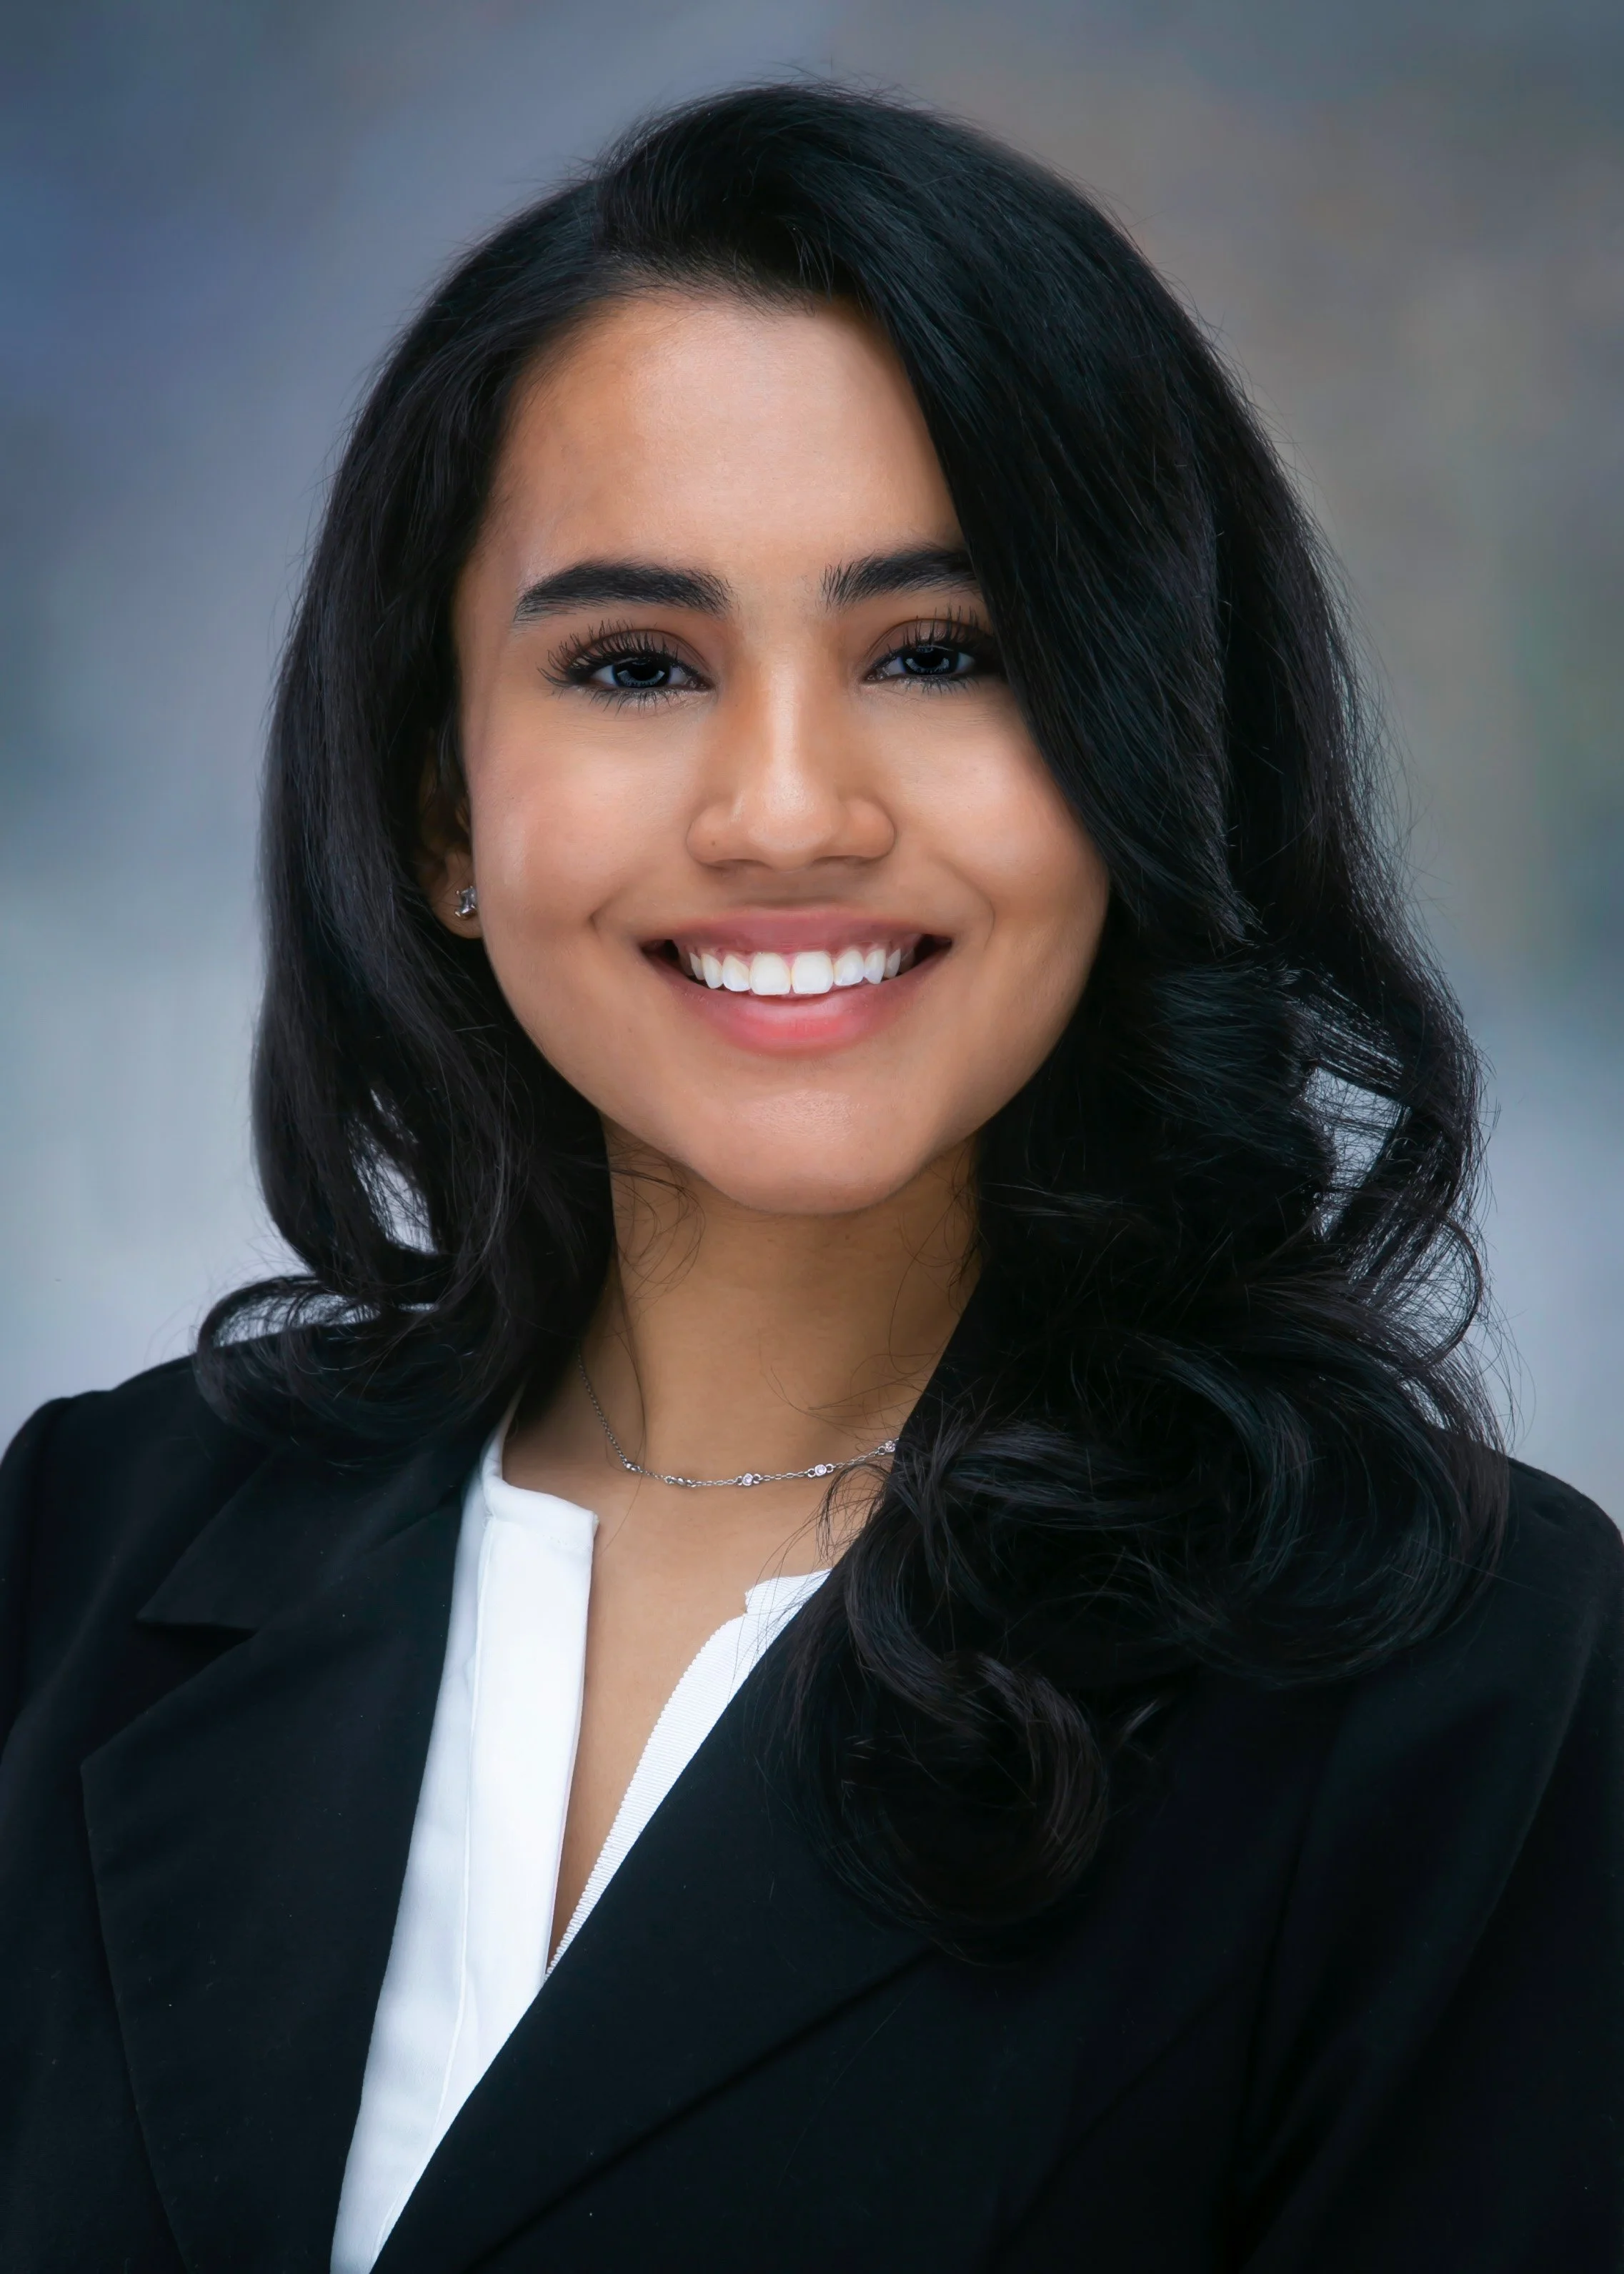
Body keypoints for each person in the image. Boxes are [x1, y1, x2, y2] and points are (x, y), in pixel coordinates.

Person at [1, 84, 1618, 2274]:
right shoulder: (87, 1551)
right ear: (443, 816)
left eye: (940, 653)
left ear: (1153, 752)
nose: (786, 810)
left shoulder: (1468, 1689)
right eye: (636, 664)